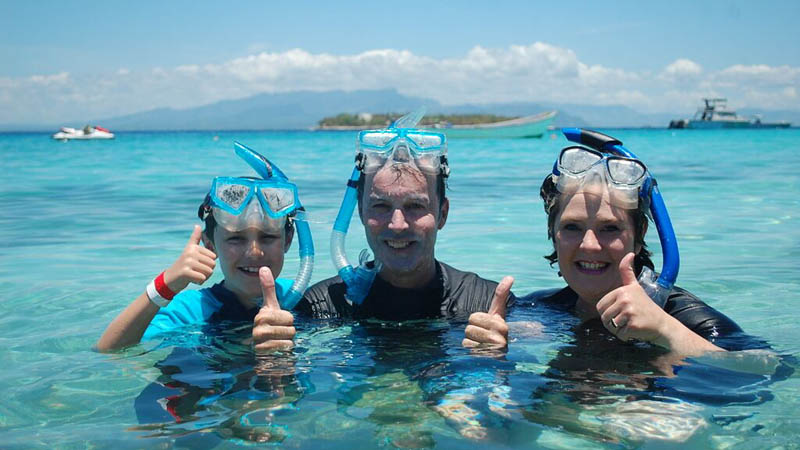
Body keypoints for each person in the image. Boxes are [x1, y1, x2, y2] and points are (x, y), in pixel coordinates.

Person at [247, 111, 514, 350]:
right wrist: (270, 355)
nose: (397, 224)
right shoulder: (323, 306)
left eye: (415, 206)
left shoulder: (484, 303)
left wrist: (500, 354)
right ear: (361, 212)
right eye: (381, 206)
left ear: (442, 214)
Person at [517, 128, 761, 356]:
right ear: (553, 233)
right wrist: (490, 347)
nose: (589, 245)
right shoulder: (540, 309)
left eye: (610, 228)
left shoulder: (682, 315)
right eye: (572, 227)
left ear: (639, 236)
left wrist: (665, 331)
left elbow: (769, 369)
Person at [96, 142, 314, 352]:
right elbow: (110, 351)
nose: (254, 251)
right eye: (235, 238)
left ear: (287, 240)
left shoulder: (301, 299)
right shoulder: (191, 311)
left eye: (267, 237)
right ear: (210, 244)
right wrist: (166, 284)